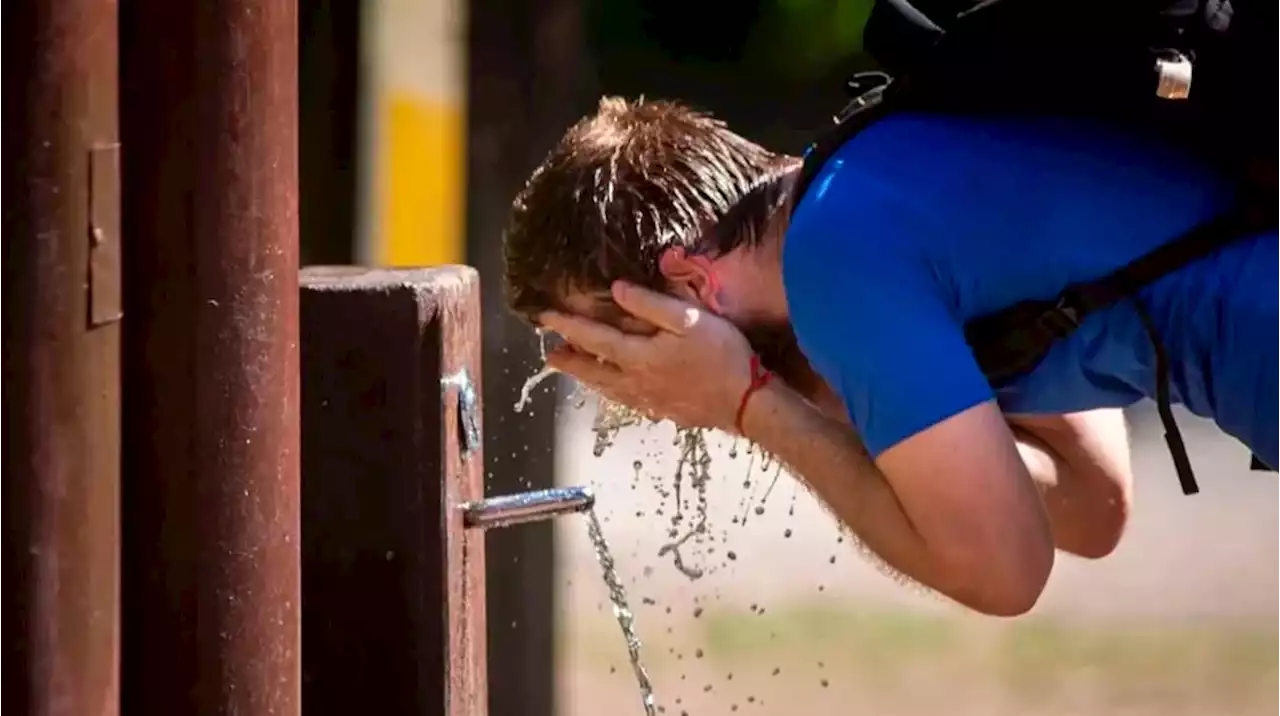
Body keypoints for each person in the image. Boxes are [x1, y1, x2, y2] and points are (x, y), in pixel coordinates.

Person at [502, 96, 1279, 616]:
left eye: (610, 346)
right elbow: (1091, 503)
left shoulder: (834, 260)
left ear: (686, 281)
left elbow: (1004, 571)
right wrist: (802, 392)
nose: (626, 386)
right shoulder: (866, 182)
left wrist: (749, 406)